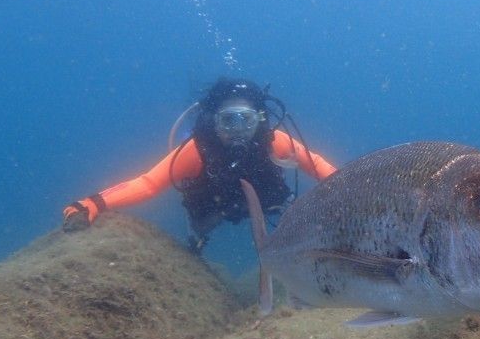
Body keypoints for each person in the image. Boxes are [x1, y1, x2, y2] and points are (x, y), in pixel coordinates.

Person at [63, 78, 337, 252]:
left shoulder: (275, 141)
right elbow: (147, 184)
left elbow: (318, 166)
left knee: (293, 215)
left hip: (269, 201)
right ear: (214, 121)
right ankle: (197, 240)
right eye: (229, 120)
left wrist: (360, 191)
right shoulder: (196, 151)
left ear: (260, 119)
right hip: (213, 207)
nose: (239, 130)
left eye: (247, 120)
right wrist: (92, 204)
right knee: (200, 228)